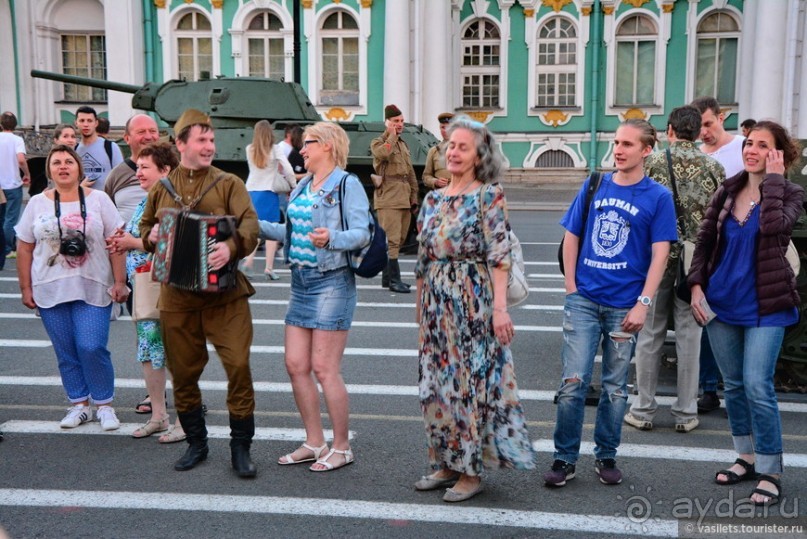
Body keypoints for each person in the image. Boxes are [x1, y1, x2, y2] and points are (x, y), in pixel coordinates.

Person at [544, 120, 678, 488]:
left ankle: (606, 455)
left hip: (625, 307)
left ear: (646, 150)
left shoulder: (658, 197)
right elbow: (572, 236)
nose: (618, 149)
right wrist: (571, 287)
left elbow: (660, 254)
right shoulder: (595, 184)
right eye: (617, 142)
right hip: (584, 302)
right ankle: (564, 458)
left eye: (628, 144)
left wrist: (643, 303)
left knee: (615, 388)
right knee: (572, 383)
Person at [413, 116, 535, 503]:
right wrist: (420, 309)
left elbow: (499, 256)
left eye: (462, 147)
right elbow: (422, 258)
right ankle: (446, 462)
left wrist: (500, 310)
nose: (452, 152)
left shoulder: (488, 196)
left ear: (479, 156)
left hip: (472, 302)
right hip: (436, 305)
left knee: (468, 387)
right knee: (436, 386)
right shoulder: (433, 199)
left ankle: (470, 470)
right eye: (450, 145)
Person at [689, 120, 803, 507]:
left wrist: (774, 181)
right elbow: (705, 241)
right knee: (734, 385)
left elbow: (774, 228)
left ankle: (771, 470)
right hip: (722, 302)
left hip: (767, 305)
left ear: (779, 154)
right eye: (749, 143)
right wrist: (696, 285)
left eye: (762, 145)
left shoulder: (790, 193)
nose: (751, 150)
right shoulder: (727, 190)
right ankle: (746, 457)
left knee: (757, 385)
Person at [139, 109, 259, 477]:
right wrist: (150, 236)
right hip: (177, 298)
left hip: (225, 297)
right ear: (181, 144)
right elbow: (146, 227)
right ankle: (196, 442)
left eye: (211, 140)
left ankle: (241, 446)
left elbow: (250, 225)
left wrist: (231, 247)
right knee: (183, 373)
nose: (209, 146)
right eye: (201, 140)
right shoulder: (162, 188)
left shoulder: (228, 183)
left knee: (238, 366)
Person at [259, 121, 371, 472]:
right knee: (295, 365)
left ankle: (342, 446)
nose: (301, 150)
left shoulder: (346, 184)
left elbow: (362, 232)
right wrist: (250, 224)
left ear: (327, 145)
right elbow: (290, 233)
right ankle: (314, 441)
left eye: (307, 143)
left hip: (332, 281)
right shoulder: (303, 186)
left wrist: (333, 238)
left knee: (325, 368)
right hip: (301, 282)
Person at [624, 106, 725, 434]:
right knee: (690, 338)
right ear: (698, 133)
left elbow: (636, 209)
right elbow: (720, 219)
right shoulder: (714, 167)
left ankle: (643, 409)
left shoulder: (651, 163)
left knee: (650, 335)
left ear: (669, 130)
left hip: (656, 260)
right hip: (695, 264)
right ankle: (686, 413)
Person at [14, 145, 129, 430]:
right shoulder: (37, 203)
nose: (63, 166)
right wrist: (25, 288)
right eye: (57, 163)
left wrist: (120, 281)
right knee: (65, 351)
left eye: (68, 161)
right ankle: (79, 404)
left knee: (91, 346)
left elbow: (116, 242)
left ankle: (104, 405)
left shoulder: (99, 199)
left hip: (94, 286)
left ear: (79, 168)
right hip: (49, 289)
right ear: (49, 171)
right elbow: (24, 247)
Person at [107, 141, 186, 443]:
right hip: (146, 286)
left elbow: (172, 242)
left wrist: (131, 243)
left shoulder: (174, 199)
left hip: (172, 288)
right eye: (137, 167)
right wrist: (123, 240)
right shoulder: (148, 199)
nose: (137, 172)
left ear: (165, 170)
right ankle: (159, 415)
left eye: (144, 167)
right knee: (150, 351)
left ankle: (185, 421)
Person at [690, 96, 746, 414]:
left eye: (709, 124)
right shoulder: (697, 155)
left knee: (740, 315)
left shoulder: (742, 148)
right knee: (708, 316)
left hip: (741, 244)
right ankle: (709, 388)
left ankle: (737, 387)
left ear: (721, 117)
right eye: (699, 127)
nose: (704, 132)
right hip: (710, 245)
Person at [371, 104, 419, 293]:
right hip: (389, 197)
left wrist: (414, 196)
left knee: (399, 238)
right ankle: (394, 280)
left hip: (403, 197)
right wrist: (391, 134)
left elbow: (410, 172)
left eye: (401, 121)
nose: (400, 124)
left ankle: (387, 278)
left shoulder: (402, 144)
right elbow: (383, 153)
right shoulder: (378, 142)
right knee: (391, 240)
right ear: (387, 122)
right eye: (395, 121)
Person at [242, 120, 296, 279]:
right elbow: (288, 168)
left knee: (255, 228)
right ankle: (268, 268)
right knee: (271, 230)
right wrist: (293, 185)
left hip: (251, 191)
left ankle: (248, 262)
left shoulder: (249, 149)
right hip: (268, 192)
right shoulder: (275, 149)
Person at [104, 114, 161, 225]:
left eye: (152, 131)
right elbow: (107, 217)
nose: (148, 137)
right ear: (127, 138)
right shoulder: (116, 176)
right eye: (141, 132)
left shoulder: (174, 171)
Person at [0, 112, 31, 266]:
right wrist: (27, 173)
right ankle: (7, 249)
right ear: (15, 125)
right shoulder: (17, 140)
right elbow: (21, 160)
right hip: (13, 184)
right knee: (10, 218)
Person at [75, 105, 123, 192]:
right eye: (82, 121)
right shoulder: (74, 150)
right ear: (76, 123)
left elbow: (121, 178)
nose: (86, 124)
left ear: (96, 123)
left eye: (89, 121)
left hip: (106, 199)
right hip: (80, 199)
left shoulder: (111, 147)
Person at [422, 112, 454, 190]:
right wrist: (435, 182)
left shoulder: (465, 150)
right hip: (441, 194)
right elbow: (426, 176)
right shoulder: (434, 151)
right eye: (443, 127)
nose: (445, 130)